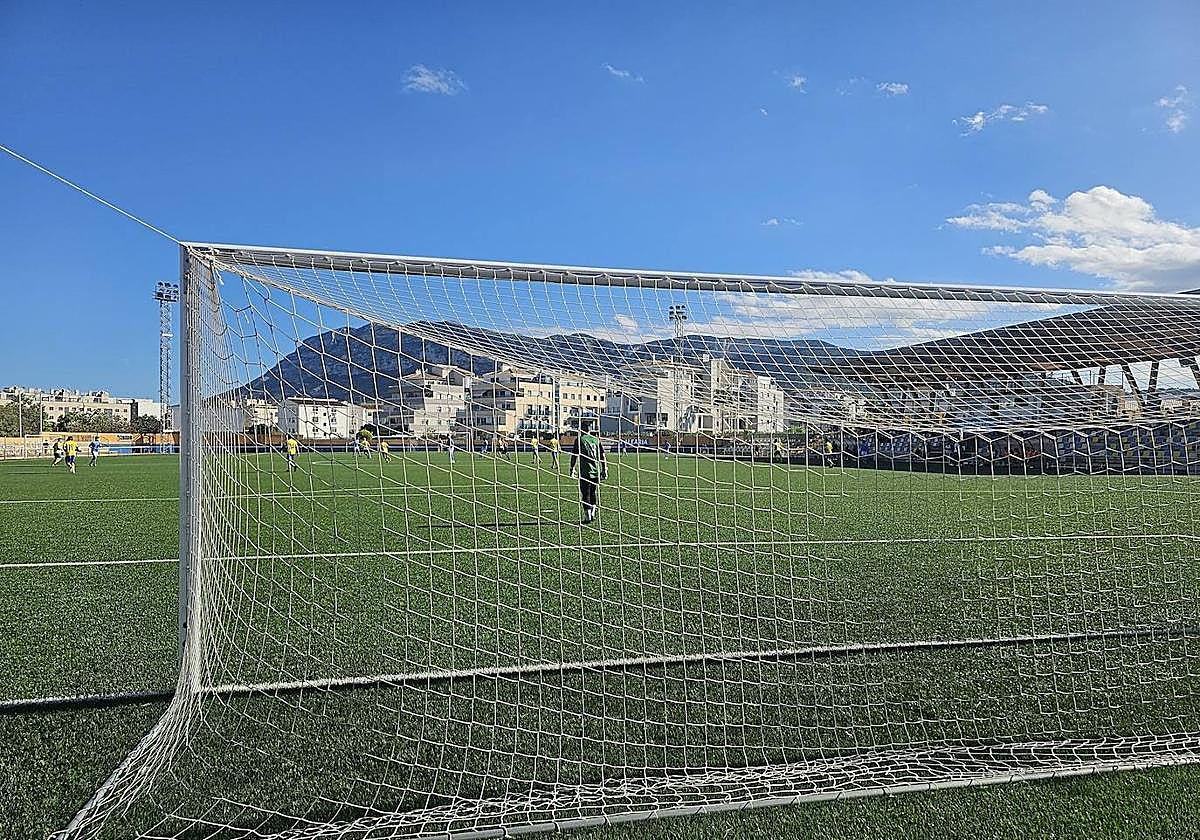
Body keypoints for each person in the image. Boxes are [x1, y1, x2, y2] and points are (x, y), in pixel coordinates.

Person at [569, 419, 607, 524]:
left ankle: (588, 516)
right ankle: (593, 513)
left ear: (581, 430)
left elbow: (574, 455)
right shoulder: (596, 439)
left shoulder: (579, 440)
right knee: (593, 492)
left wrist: (572, 469)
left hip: (586, 472)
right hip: (596, 471)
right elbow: (602, 456)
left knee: (585, 494)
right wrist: (604, 469)